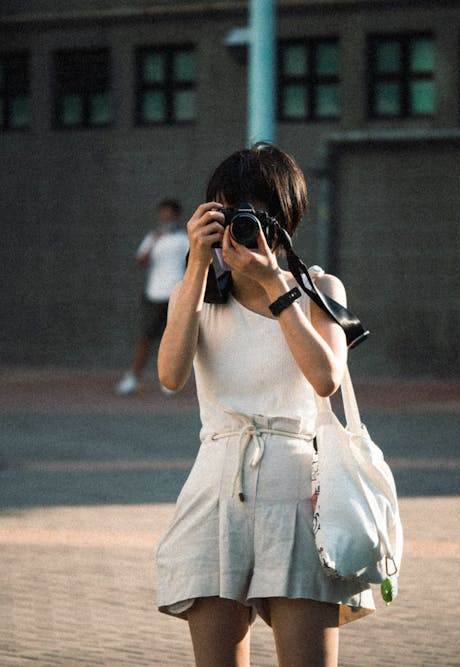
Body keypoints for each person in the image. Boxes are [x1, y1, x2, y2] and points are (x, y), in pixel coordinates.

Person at [155, 144, 375, 667]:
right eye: (230, 214)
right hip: (216, 488)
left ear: (286, 218)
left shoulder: (317, 286)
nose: (242, 229)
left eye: (255, 215)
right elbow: (169, 375)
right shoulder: (199, 293)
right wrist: (195, 270)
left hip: (296, 491)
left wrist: (278, 284)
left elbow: (325, 379)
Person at [115, 198, 189, 396]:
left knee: (174, 340)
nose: (166, 219)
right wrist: (154, 241)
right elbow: (141, 261)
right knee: (146, 338)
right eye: (163, 215)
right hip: (153, 296)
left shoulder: (184, 239)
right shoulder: (152, 237)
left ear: (177, 216)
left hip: (176, 296)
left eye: (169, 215)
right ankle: (132, 378)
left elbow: (193, 265)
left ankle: (169, 380)